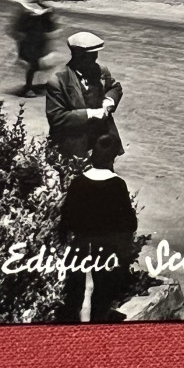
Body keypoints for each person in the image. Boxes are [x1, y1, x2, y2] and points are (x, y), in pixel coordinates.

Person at [57, 134, 137, 322]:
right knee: (101, 293)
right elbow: (129, 223)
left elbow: (66, 219)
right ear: (112, 158)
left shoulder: (78, 182)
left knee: (80, 293)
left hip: (81, 247)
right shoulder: (117, 184)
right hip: (106, 251)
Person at [45, 31, 124, 163]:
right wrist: (90, 114)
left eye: (96, 54)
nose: (95, 59)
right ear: (78, 55)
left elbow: (115, 87)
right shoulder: (58, 80)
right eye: (91, 55)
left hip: (102, 141)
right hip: (73, 146)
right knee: (74, 181)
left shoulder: (101, 71)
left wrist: (108, 101)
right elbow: (56, 117)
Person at [9, 0, 57, 97]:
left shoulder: (27, 15)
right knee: (34, 65)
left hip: (32, 43)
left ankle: (31, 85)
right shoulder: (43, 16)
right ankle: (29, 87)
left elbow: (16, 30)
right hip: (34, 44)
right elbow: (50, 28)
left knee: (35, 65)